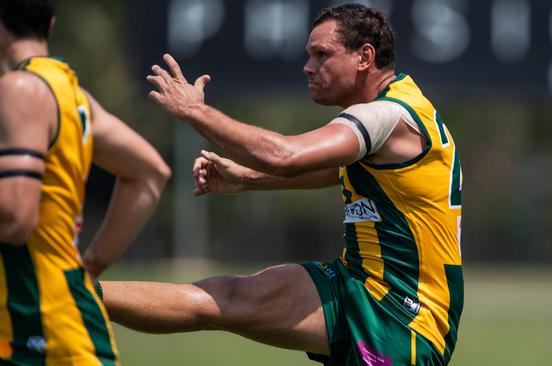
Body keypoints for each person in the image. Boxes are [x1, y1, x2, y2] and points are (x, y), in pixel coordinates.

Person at [101, 4, 463, 365]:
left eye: (322, 55)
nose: (308, 67)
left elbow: (285, 156)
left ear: (365, 57)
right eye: (309, 55)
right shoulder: (400, 106)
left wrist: (196, 112)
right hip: (357, 283)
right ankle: (73, 292)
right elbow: (334, 169)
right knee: (224, 297)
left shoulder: (386, 114)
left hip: (403, 323)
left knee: (224, 300)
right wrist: (246, 179)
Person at [0, 0, 171, 364]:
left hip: (41, 332)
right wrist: (87, 266)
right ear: (50, 22)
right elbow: (149, 172)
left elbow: (15, 219)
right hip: (44, 326)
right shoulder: (69, 93)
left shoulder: (20, 91)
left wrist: (86, 269)